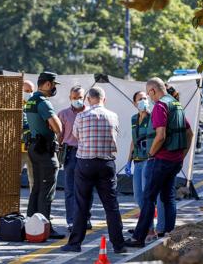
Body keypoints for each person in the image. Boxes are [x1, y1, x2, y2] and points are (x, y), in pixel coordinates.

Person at [125, 77, 194, 248]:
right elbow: (189, 133)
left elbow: (160, 135)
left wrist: (150, 154)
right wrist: (182, 156)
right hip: (175, 160)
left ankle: (138, 237)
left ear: (153, 90)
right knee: (168, 197)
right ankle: (167, 234)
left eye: (148, 94)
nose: (148, 98)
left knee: (148, 198)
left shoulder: (160, 106)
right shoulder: (176, 104)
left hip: (161, 160)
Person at [61, 87, 126, 254]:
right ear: (104, 99)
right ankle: (119, 245)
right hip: (106, 163)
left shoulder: (81, 116)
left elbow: (76, 136)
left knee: (82, 204)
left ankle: (75, 243)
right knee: (111, 206)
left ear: (88, 100)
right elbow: (116, 133)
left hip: (85, 163)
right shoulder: (113, 116)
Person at [24, 71, 64, 239]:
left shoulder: (31, 100)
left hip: (34, 147)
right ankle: (44, 227)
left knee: (37, 189)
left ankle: (30, 225)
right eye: (53, 84)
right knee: (46, 190)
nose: (54, 88)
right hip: (45, 150)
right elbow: (58, 128)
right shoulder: (43, 102)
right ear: (47, 84)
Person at [125, 91, 163, 240]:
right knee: (138, 196)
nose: (144, 101)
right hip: (137, 161)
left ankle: (150, 230)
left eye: (145, 98)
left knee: (147, 196)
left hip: (149, 160)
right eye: (140, 99)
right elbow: (134, 140)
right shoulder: (134, 119)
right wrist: (128, 161)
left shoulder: (154, 117)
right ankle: (147, 227)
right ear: (135, 103)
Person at [57, 85, 93, 232]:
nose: (77, 100)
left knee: (87, 188)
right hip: (70, 153)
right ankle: (72, 221)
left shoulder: (91, 113)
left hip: (87, 153)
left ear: (85, 98)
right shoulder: (63, 114)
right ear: (70, 98)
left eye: (80, 97)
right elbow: (59, 135)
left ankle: (86, 218)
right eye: (74, 97)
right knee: (70, 189)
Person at [21, 80, 35, 190]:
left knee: (33, 179)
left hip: (32, 147)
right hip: (17, 149)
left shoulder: (35, 105)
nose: (29, 93)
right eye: (26, 91)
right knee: (12, 178)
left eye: (31, 91)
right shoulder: (14, 106)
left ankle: (33, 205)